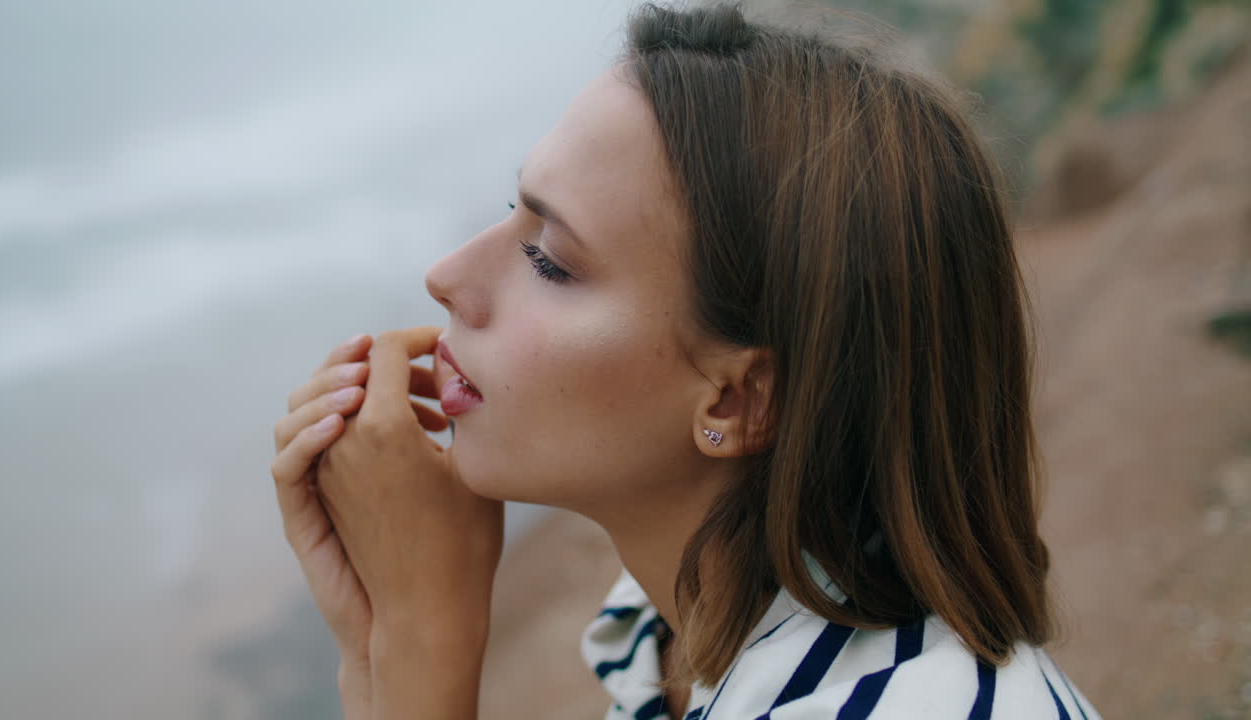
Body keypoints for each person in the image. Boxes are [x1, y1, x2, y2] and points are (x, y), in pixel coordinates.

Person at [270, 3, 1102, 718]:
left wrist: (426, 640)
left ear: (739, 402)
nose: (446, 276)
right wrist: (370, 645)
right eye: (509, 211)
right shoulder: (676, 634)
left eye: (551, 261)